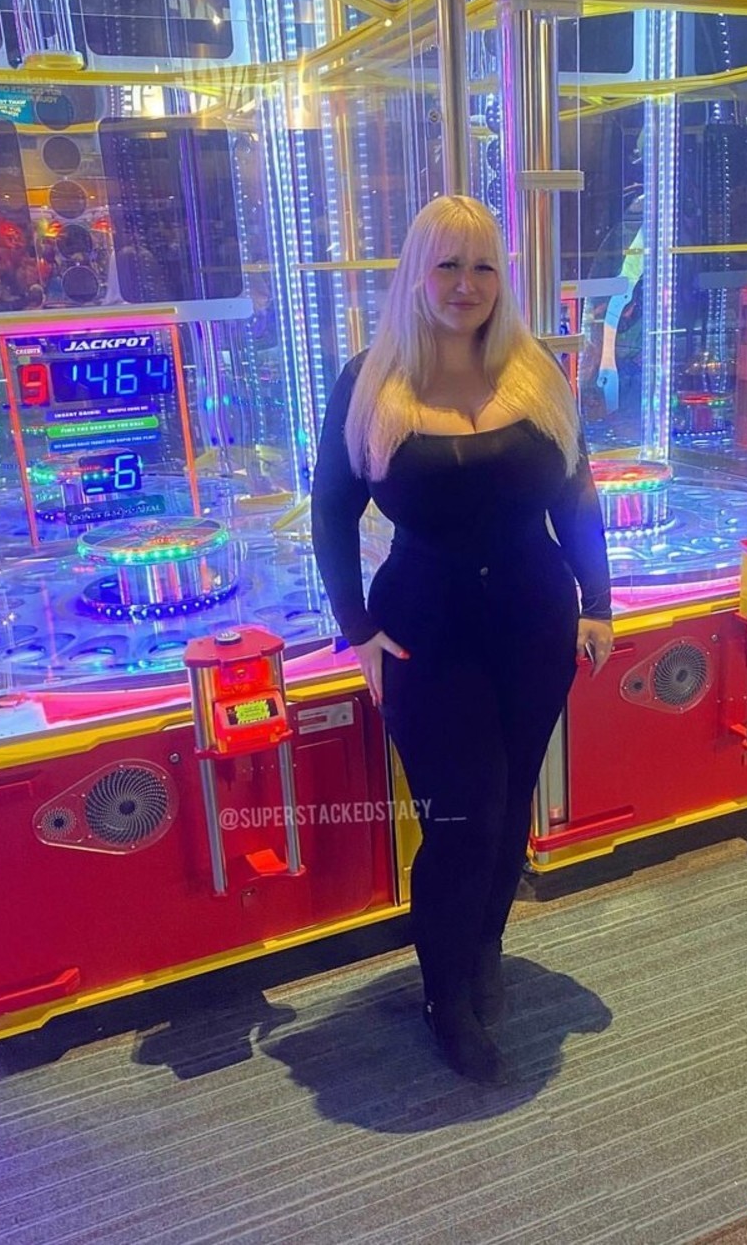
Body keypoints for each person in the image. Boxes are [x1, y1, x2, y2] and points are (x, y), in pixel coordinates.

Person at [311, 195, 613, 1086]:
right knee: (462, 816)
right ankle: (445, 997)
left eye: (483, 266)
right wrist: (357, 630)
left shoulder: (536, 371)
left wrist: (597, 602)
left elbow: (577, 492)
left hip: (533, 620)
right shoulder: (371, 381)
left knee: (511, 802)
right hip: (423, 630)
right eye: (447, 264)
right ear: (417, 273)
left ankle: (485, 949)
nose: (466, 284)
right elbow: (331, 511)